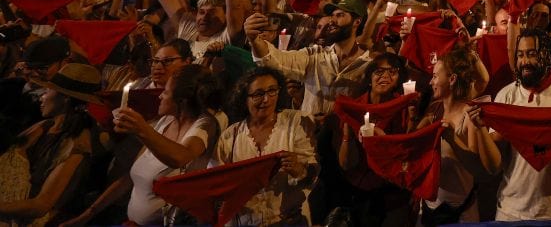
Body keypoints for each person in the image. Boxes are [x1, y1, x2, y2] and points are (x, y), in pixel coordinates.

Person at [67, 65, 220, 226]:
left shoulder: (205, 125)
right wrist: (86, 215)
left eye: (166, 92)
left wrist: (142, 128)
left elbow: (181, 157)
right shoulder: (164, 122)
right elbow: (129, 177)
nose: (160, 96)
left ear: (182, 100)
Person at [484, 28, 551, 221]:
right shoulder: (506, 95)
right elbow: (494, 163)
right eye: (520, 55)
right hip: (510, 213)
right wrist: (478, 130)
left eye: (531, 54)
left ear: (547, 55)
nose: (524, 62)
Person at [0, 63, 104, 226]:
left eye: (48, 91)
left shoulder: (75, 147)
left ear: (65, 98)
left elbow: (41, 205)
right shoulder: (45, 126)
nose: (42, 96)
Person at [215, 67, 318, 225]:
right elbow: (219, 185)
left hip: (290, 221)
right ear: (244, 98)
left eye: (272, 91)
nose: (266, 99)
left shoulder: (297, 122)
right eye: (258, 94)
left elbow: (313, 174)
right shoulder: (231, 136)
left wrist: (299, 169)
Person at [330, 53, 418, 227]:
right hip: (357, 195)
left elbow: (408, 155)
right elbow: (346, 164)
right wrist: (348, 135)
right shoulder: (354, 109)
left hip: (393, 195)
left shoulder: (404, 108)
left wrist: (413, 120)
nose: (385, 76)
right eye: (379, 72)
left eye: (392, 72)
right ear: (369, 78)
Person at [245, 0, 373, 115]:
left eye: (340, 15)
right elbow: (275, 60)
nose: (332, 21)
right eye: (332, 16)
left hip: (343, 137)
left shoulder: (368, 66)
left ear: (357, 21)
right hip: (307, 136)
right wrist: (254, 40)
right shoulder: (315, 55)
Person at [417, 45, 500, 225]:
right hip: (429, 206)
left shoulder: (468, 115)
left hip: (460, 214)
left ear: (452, 79)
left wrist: (452, 139)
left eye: (435, 76)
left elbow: (479, 170)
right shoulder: (434, 108)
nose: (431, 82)